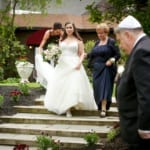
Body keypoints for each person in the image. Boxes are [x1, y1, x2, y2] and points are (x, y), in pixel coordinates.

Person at [44, 22, 98, 117]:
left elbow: (81, 54)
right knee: (62, 86)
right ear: (65, 29)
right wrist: (54, 55)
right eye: (67, 27)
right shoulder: (61, 39)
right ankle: (64, 107)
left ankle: (69, 108)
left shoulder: (78, 41)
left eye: (70, 27)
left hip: (74, 64)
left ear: (73, 29)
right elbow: (60, 52)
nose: (69, 29)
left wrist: (79, 63)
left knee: (72, 86)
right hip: (62, 65)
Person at [115, 15, 150, 149]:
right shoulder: (144, 46)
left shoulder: (142, 52)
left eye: (120, 40)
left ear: (128, 35)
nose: (121, 46)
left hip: (140, 132)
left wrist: (145, 127)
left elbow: (146, 93)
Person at [87, 23, 120, 117]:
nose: (100, 35)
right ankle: (100, 106)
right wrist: (86, 55)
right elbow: (92, 54)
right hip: (97, 68)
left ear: (106, 32)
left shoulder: (111, 42)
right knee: (97, 89)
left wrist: (111, 60)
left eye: (102, 33)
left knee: (104, 88)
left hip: (107, 68)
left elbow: (117, 54)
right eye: (98, 33)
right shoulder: (97, 43)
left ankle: (104, 109)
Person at [35, 22, 63, 88]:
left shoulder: (61, 33)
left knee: (57, 65)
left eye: (59, 31)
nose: (58, 33)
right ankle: (47, 82)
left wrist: (58, 51)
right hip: (47, 50)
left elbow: (60, 42)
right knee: (46, 65)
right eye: (57, 31)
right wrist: (40, 50)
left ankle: (57, 83)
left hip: (56, 50)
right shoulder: (48, 32)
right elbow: (43, 41)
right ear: (53, 29)